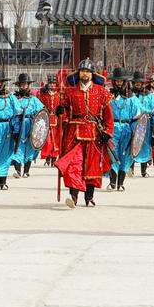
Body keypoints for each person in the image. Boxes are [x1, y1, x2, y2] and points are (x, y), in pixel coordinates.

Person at [55, 59, 114, 208]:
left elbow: (108, 115)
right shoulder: (69, 91)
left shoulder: (102, 92)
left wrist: (108, 131)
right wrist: (61, 113)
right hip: (74, 133)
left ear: (92, 74)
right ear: (78, 73)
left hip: (94, 134)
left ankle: (89, 197)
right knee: (74, 164)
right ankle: (73, 196)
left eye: (88, 71)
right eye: (83, 71)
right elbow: (65, 112)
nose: (85, 74)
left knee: (92, 166)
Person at [107, 67, 137, 191]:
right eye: (117, 81)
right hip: (112, 127)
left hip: (126, 128)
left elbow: (138, 115)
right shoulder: (108, 95)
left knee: (125, 154)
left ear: (125, 82)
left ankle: (121, 182)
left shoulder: (131, 98)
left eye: (121, 81)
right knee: (112, 154)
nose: (119, 83)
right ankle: (112, 182)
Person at [10, 73, 45, 179]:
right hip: (19, 123)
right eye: (22, 84)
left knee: (30, 147)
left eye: (26, 84)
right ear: (19, 85)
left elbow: (42, 111)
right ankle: (17, 170)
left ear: (28, 85)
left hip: (30, 124)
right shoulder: (14, 98)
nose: (24, 86)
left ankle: (26, 170)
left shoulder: (33, 99)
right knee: (18, 146)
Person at [130, 70, 154, 178]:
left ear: (143, 83)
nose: (137, 84)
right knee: (132, 146)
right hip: (133, 124)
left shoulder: (150, 96)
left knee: (145, 146)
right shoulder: (129, 95)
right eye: (136, 82)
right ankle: (131, 169)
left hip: (146, 125)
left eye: (139, 82)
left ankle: (143, 170)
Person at [38, 75, 63, 165]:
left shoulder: (59, 94)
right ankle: (47, 156)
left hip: (56, 120)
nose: (52, 85)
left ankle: (54, 157)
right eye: (50, 83)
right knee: (47, 139)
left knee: (56, 139)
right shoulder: (43, 94)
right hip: (46, 119)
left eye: (53, 83)